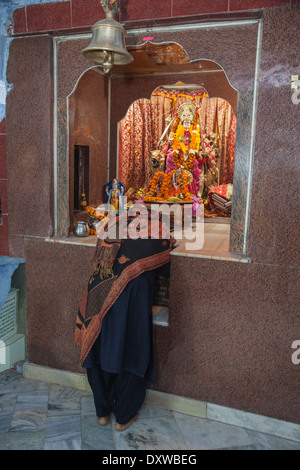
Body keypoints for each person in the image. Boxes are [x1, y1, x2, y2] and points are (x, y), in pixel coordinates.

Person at [75, 212, 172, 431]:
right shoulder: (156, 232)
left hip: (97, 295)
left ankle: (102, 413)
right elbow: (165, 268)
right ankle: (123, 417)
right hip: (130, 303)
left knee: (98, 349)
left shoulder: (110, 228)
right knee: (131, 352)